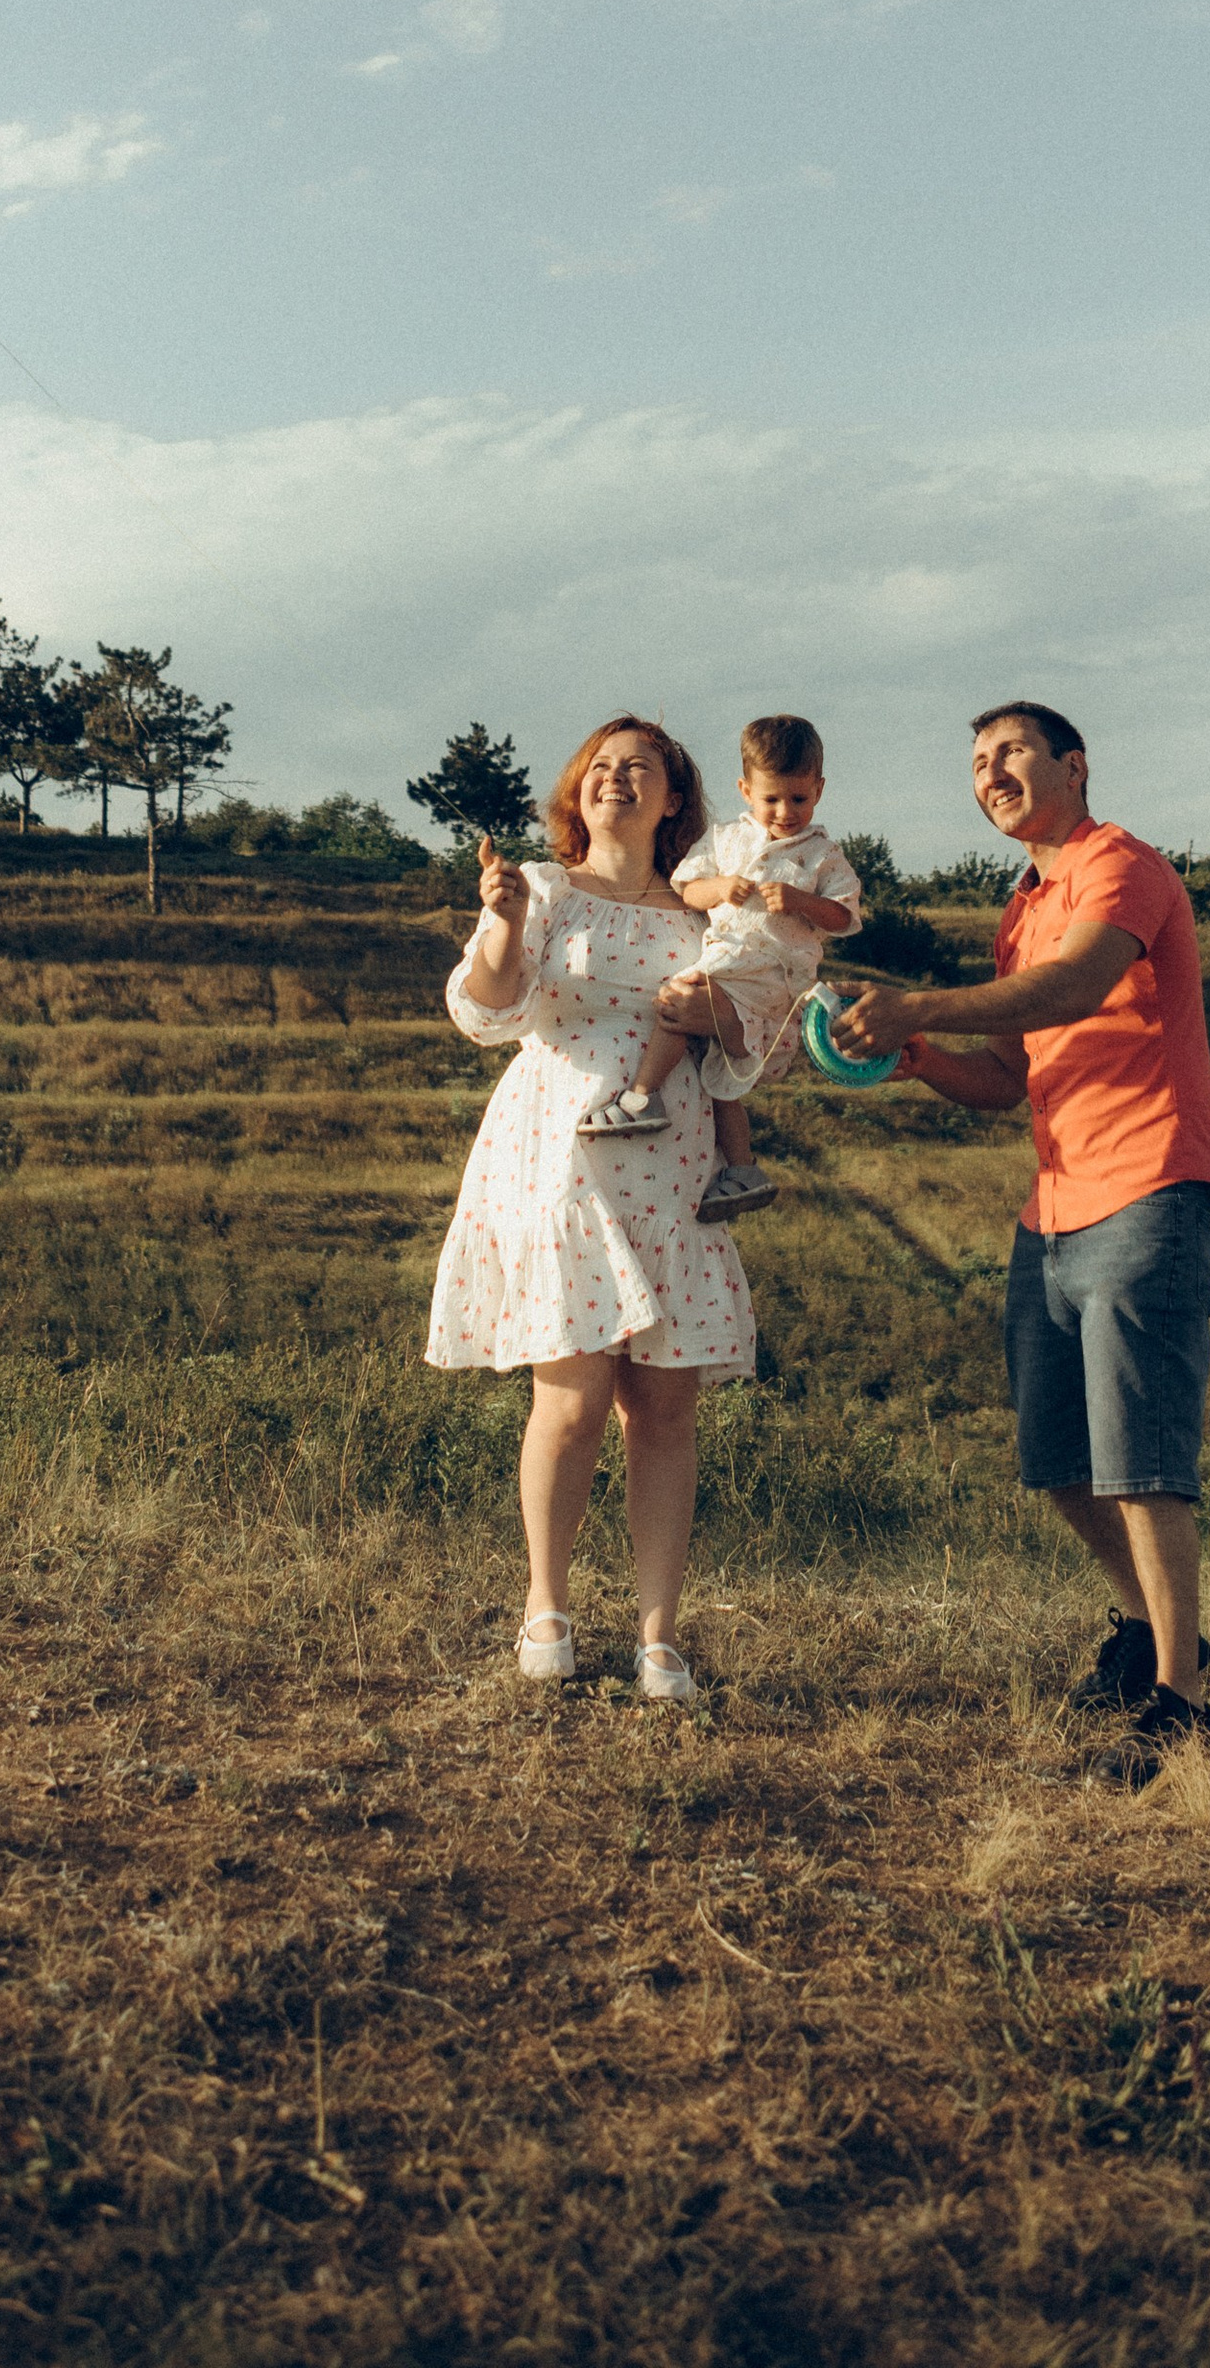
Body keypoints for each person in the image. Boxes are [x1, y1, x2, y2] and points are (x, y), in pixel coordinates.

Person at [834, 701, 1210, 1764]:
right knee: (1057, 1459)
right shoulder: (1022, 906)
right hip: (1051, 1209)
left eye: (1009, 751)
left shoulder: (1120, 867)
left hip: (1147, 1187)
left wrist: (919, 1005)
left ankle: (1182, 1702)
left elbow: (1077, 985)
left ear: (1075, 765)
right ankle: (1152, 1631)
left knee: (1142, 1463)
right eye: (975, 762)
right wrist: (911, 1057)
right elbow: (1005, 1081)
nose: (989, 771)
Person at [424, 714, 754, 1703]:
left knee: (664, 1408)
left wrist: (719, 1014)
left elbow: (751, 1047)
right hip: (557, 1152)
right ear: (579, 792)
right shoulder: (544, 888)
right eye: (601, 768)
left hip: (673, 1161)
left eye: (638, 768)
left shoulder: (706, 913)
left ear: (672, 799)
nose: (617, 780)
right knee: (568, 1400)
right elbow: (483, 1010)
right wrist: (505, 920)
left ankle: (659, 1638)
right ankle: (547, 1608)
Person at [663, 713, 861, 1222]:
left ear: (818, 789)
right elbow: (687, 888)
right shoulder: (725, 838)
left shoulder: (823, 854)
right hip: (729, 962)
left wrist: (801, 900)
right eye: (771, 799)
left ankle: (640, 1097)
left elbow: (843, 917)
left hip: (774, 980)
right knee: (720, 1079)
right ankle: (743, 1168)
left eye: (799, 799)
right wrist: (721, 887)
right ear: (745, 790)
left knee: (681, 994)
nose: (785, 812)